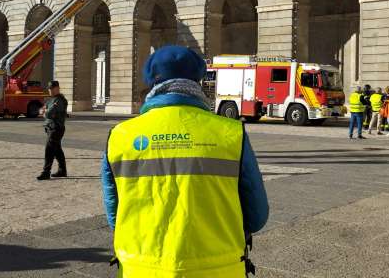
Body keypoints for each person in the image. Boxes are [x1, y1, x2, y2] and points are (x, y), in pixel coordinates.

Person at [101, 46, 269, 277]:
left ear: (152, 83)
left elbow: (115, 216)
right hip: (220, 269)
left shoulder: (120, 136)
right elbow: (257, 216)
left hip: (139, 269)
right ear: (197, 81)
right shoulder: (232, 133)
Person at [37, 81, 68, 180]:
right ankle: (62, 170)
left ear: (57, 88)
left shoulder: (60, 100)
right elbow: (41, 110)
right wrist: (44, 111)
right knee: (57, 150)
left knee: (49, 149)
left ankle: (46, 172)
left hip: (56, 128)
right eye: (49, 88)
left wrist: (45, 111)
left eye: (52, 88)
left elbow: (48, 113)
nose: (50, 90)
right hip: (50, 127)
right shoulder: (51, 100)